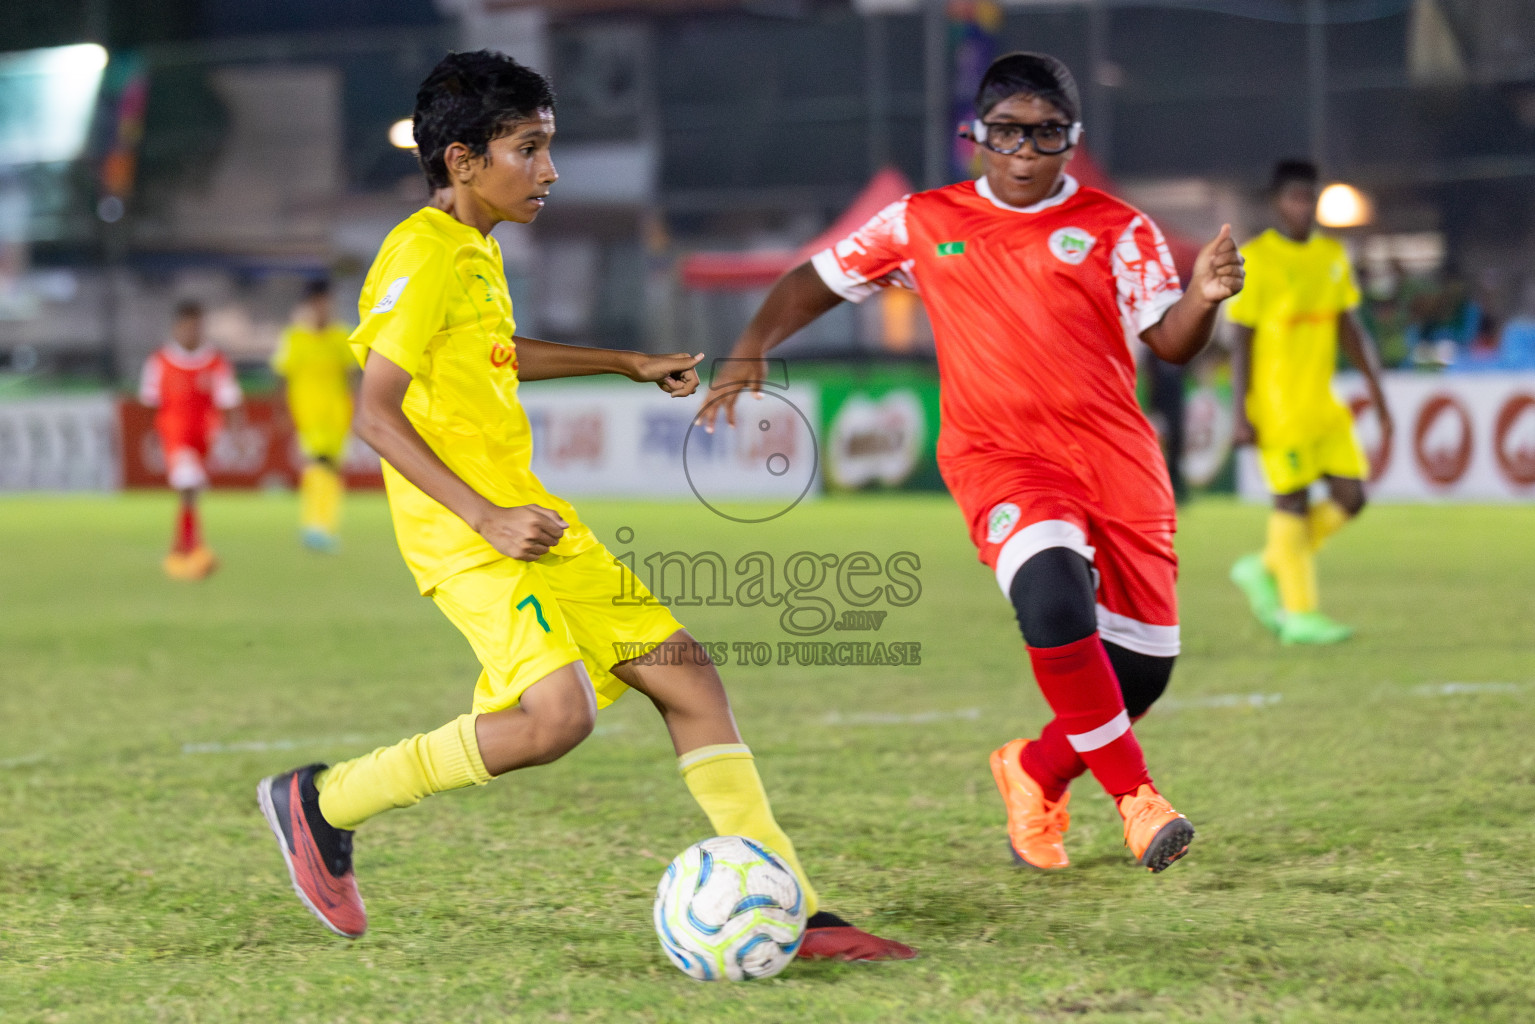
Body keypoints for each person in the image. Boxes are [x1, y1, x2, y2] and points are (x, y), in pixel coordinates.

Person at [256, 50, 913, 962]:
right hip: (468, 532)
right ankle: (323, 802)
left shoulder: (473, 248)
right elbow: (377, 409)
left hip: (529, 515)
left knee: (686, 677)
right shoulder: (422, 250)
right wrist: (484, 518)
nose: (549, 172)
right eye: (529, 150)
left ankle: (796, 910)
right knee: (556, 719)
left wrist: (620, 360)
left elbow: (493, 353)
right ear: (462, 159)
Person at [703, 52, 1245, 874]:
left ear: (1072, 139)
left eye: (1045, 134)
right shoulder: (920, 222)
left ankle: (1033, 770)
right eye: (1007, 133)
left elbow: (1166, 344)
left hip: (1117, 462)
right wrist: (750, 346)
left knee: (1140, 672)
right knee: (1054, 603)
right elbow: (814, 281)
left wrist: (1200, 297)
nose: (1025, 152)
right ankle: (1137, 799)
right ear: (975, 137)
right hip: (1001, 459)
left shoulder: (1117, 227)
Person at [1227, 159, 1393, 645]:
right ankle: (1299, 615)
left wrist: (1377, 392)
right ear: (1278, 202)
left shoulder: (1331, 255)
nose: (1302, 206)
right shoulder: (1258, 259)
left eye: (1309, 197)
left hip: (1322, 406)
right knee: (1292, 503)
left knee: (1351, 498)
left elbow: (1349, 327)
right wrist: (1240, 413)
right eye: (1294, 197)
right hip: (1278, 408)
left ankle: (1265, 566)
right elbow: (1241, 340)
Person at [138, 300, 243, 581]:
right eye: (186, 326)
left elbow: (229, 400)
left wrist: (234, 434)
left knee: (192, 493)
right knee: (188, 486)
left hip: (206, 438)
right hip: (175, 436)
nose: (191, 332)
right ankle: (190, 549)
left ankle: (180, 551)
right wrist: (151, 437)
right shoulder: (159, 361)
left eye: (196, 326)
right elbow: (149, 403)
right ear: (176, 327)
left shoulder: (215, 361)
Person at [272, 279, 355, 552]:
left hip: (337, 415)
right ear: (308, 306)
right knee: (318, 464)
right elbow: (283, 376)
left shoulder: (341, 337)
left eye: (326, 303)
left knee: (330, 469)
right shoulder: (294, 338)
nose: (323, 309)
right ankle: (314, 526)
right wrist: (281, 410)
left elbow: (351, 374)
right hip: (307, 416)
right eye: (318, 304)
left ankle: (324, 526)